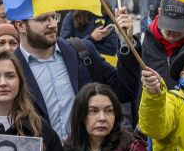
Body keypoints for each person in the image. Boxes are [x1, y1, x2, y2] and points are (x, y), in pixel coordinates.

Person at [12, 10, 138, 140]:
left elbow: (125, 91)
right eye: (42, 19)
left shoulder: (81, 51)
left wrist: (127, 42)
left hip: (88, 150)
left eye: (54, 17)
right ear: (21, 26)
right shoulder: (10, 69)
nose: (53, 24)